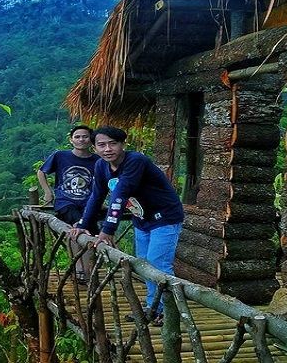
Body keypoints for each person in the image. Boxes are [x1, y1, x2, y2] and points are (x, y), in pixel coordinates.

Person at [68, 126, 183, 325]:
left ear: (123, 144)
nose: (107, 149)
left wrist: (107, 230)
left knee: (159, 264)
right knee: (145, 263)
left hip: (165, 217)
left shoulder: (136, 161)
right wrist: (83, 224)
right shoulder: (101, 166)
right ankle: (153, 308)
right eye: (101, 145)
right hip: (142, 219)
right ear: (94, 148)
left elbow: (121, 193)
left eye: (113, 144)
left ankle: (169, 314)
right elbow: (96, 195)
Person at [37, 125, 100, 281]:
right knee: (78, 229)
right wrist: (47, 191)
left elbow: (104, 181)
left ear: (91, 139)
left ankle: (85, 271)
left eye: (85, 136)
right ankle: (79, 270)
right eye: (77, 137)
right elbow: (41, 171)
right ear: (71, 140)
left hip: (88, 203)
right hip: (65, 202)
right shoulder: (60, 156)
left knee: (89, 234)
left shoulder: (98, 160)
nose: (81, 139)